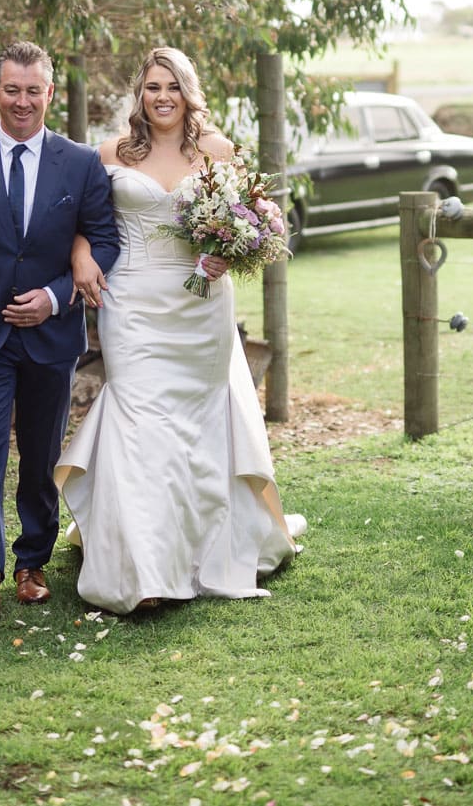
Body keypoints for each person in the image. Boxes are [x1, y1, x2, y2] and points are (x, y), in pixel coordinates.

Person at [56, 46, 305, 615]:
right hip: (133, 301)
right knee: (140, 421)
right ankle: (143, 570)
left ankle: (198, 551)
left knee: (195, 425)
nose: (161, 96)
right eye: (151, 87)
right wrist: (80, 257)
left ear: (188, 92)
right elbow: (84, 223)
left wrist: (229, 251)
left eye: (172, 86)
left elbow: (257, 225)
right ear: (138, 95)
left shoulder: (216, 151)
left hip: (201, 305)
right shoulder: (109, 152)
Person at [0, 41, 121, 624]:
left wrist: (57, 297)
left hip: (51, 338)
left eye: (34, 90)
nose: (22, 101)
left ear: (50, 94)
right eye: (12, 89)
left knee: (40, 457)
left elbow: (103, 240)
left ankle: (33, 561)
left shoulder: (80, 163)